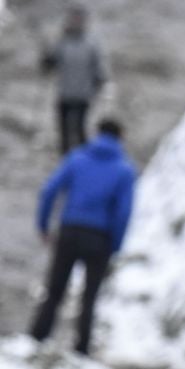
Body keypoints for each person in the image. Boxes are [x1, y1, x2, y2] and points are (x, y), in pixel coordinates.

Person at [30, 118, 136, 356]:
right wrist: (116, 245)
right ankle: (81, 347)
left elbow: (49, 191)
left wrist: (43, 225)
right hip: (100, 238)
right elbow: (123, 213)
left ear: (97, 133)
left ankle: (38, 337)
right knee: (90, 296)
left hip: (69, 230)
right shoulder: (124, 170)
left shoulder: (77, 159)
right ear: (120, 136)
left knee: (55, 289)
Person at [42, 5, 107, 155]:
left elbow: (99, 67)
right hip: (64, 93)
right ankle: (66, 162)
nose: (76, 22)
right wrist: (46, 59)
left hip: (83, 94)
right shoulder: (62, 42)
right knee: (64, 132)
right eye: (73, 19)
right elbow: (51, 65)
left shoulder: (90, 44)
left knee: (80, 129)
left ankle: (84, 161)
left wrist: (100, 83)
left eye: (79, 19)